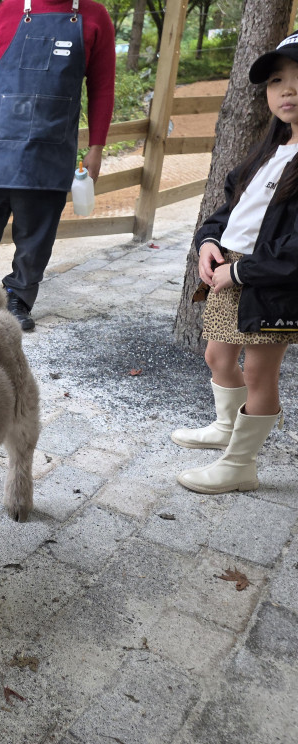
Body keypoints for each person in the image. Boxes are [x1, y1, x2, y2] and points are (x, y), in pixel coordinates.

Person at [172, 32, 298, 495]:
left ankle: (241, 464)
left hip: (271, 281)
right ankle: (227, 428)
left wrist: (241, 272)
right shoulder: (271, 150)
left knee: (258, 373)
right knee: (217, 356)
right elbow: (231, 212)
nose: (288, 89)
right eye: (278, 80)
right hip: (233, 271)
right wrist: (209, 241)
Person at [0, 0, 116, 330]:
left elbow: (103, 86)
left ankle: (17, 297)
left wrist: (97, 146)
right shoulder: (1, 10)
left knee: (36, 238)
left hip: (50, 152)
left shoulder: (94, 17)